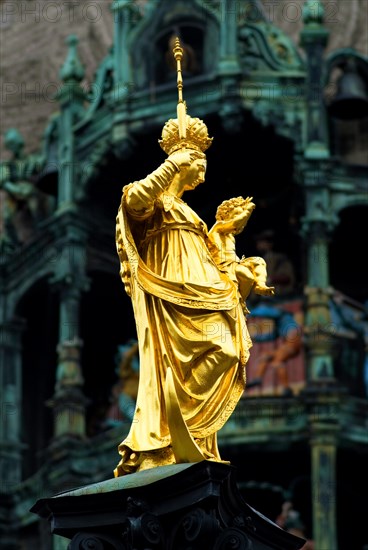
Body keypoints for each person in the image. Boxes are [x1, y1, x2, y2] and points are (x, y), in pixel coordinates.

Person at [208, 195, 275, 309]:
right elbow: (235, 223)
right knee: (247, 276)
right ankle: (240, 301)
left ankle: (260, 285)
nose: (240, 220)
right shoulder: (218, 227)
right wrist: (248, 210)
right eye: (236, 215)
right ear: (224, 215)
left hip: (235, 263)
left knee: (259, 261)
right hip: (222, 266)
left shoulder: (229, 235)